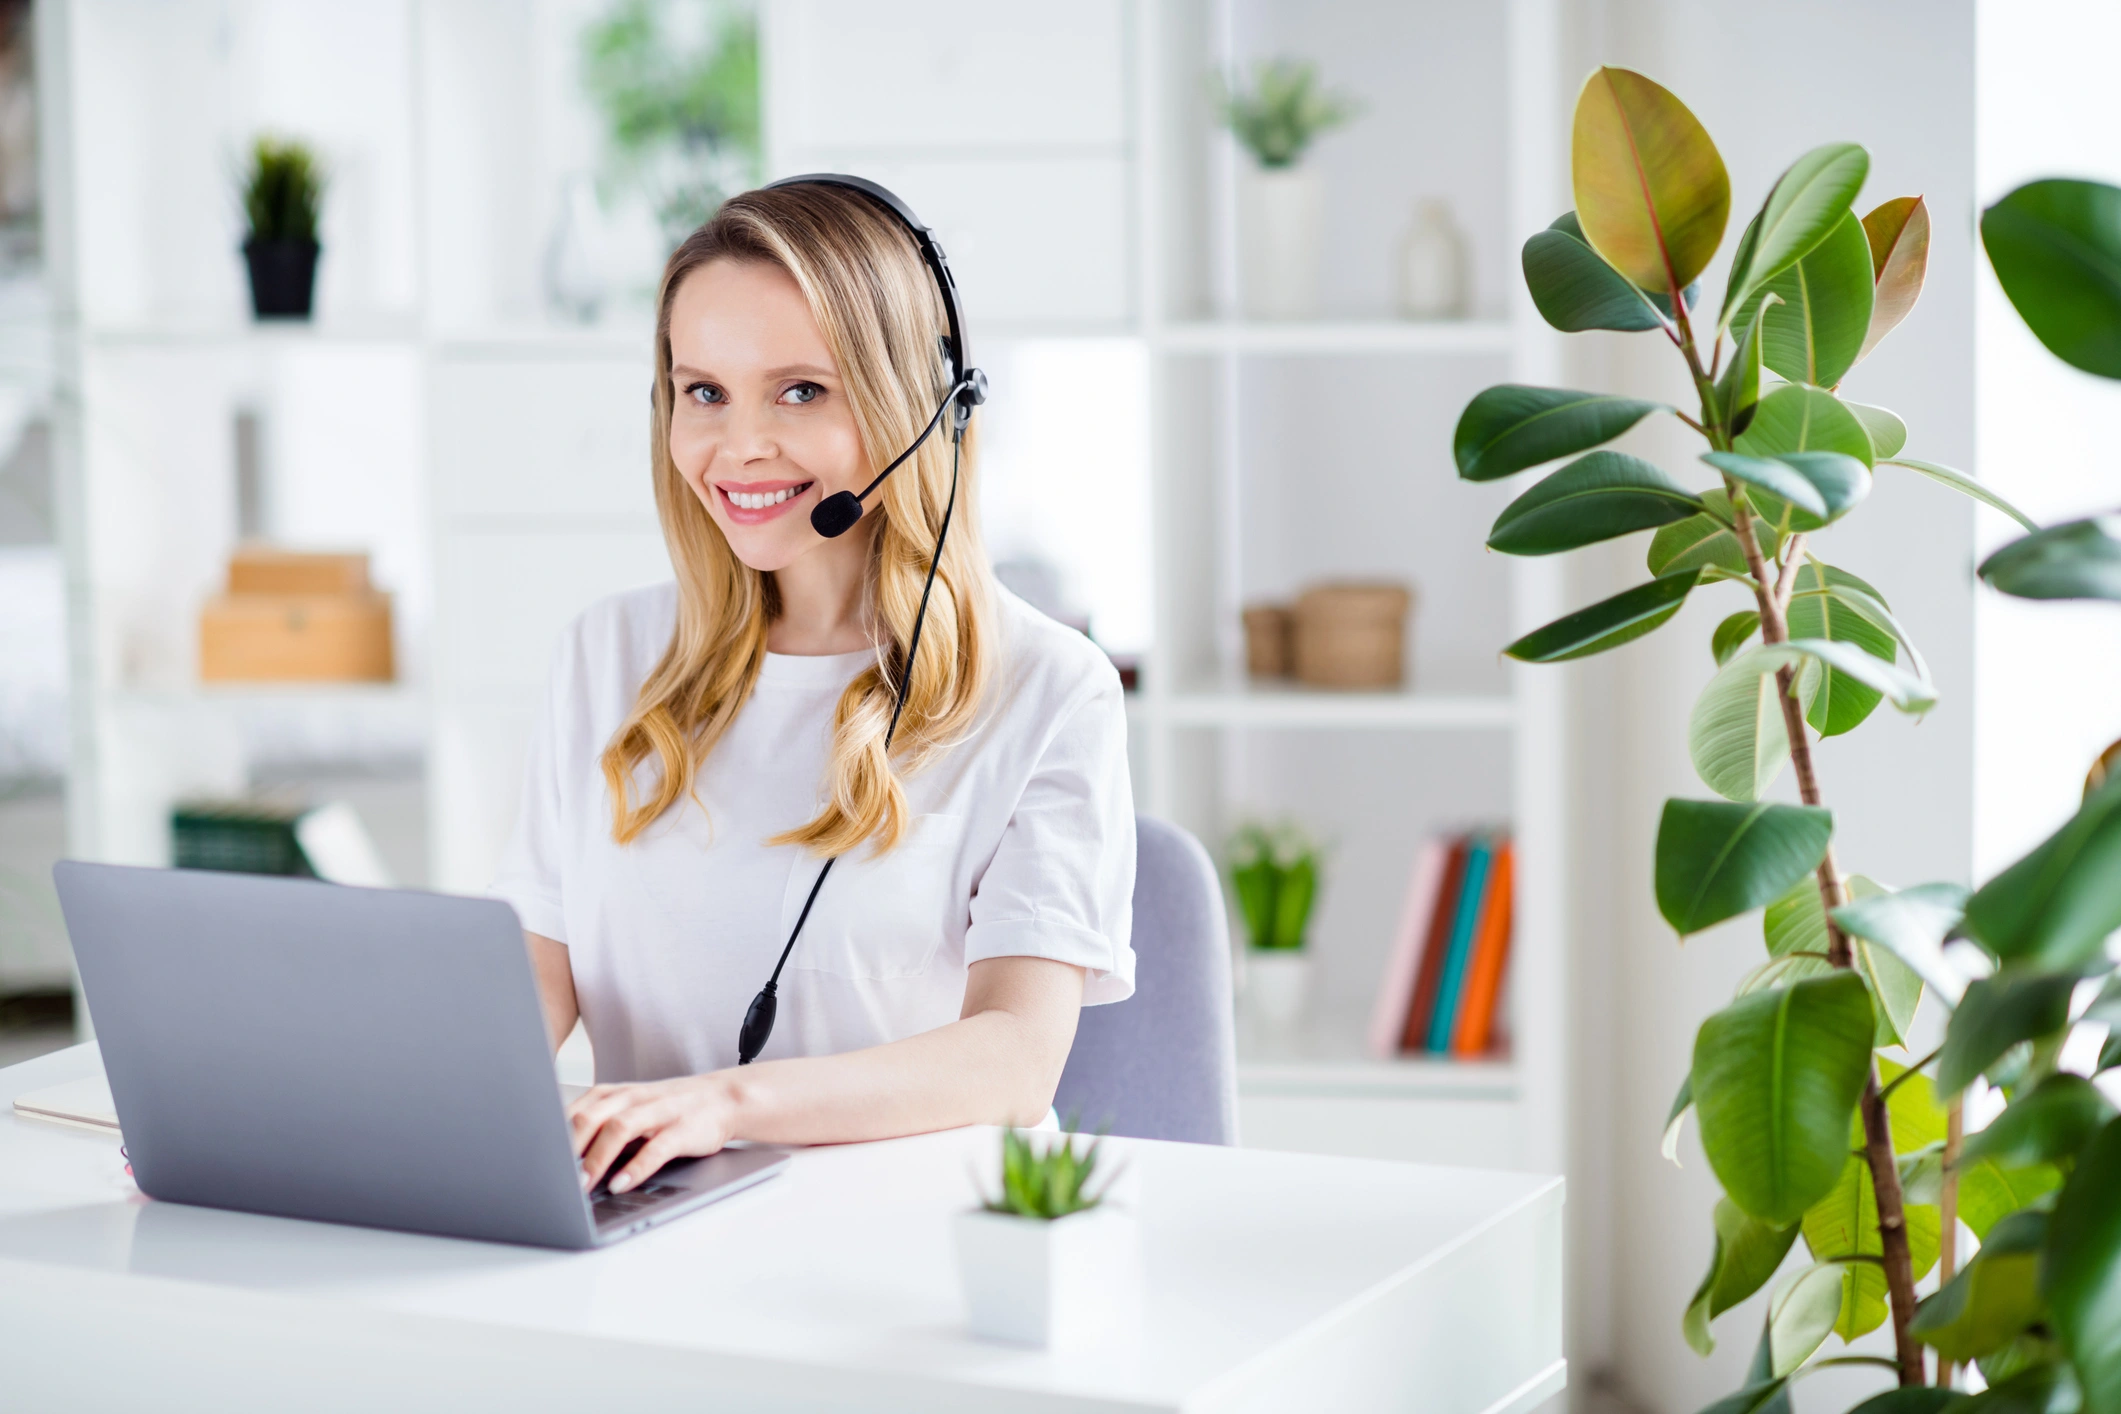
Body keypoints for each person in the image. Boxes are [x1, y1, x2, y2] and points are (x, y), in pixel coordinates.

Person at [491, 182, 1136, 1197]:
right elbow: (536, 975)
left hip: (917, 1240)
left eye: (800, 390)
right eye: (702, 391)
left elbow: (1015, 1053)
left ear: (919, 407)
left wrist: (721, 1104)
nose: (739, 445)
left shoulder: (1049, 688)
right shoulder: (606, 654)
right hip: (652, 1234)